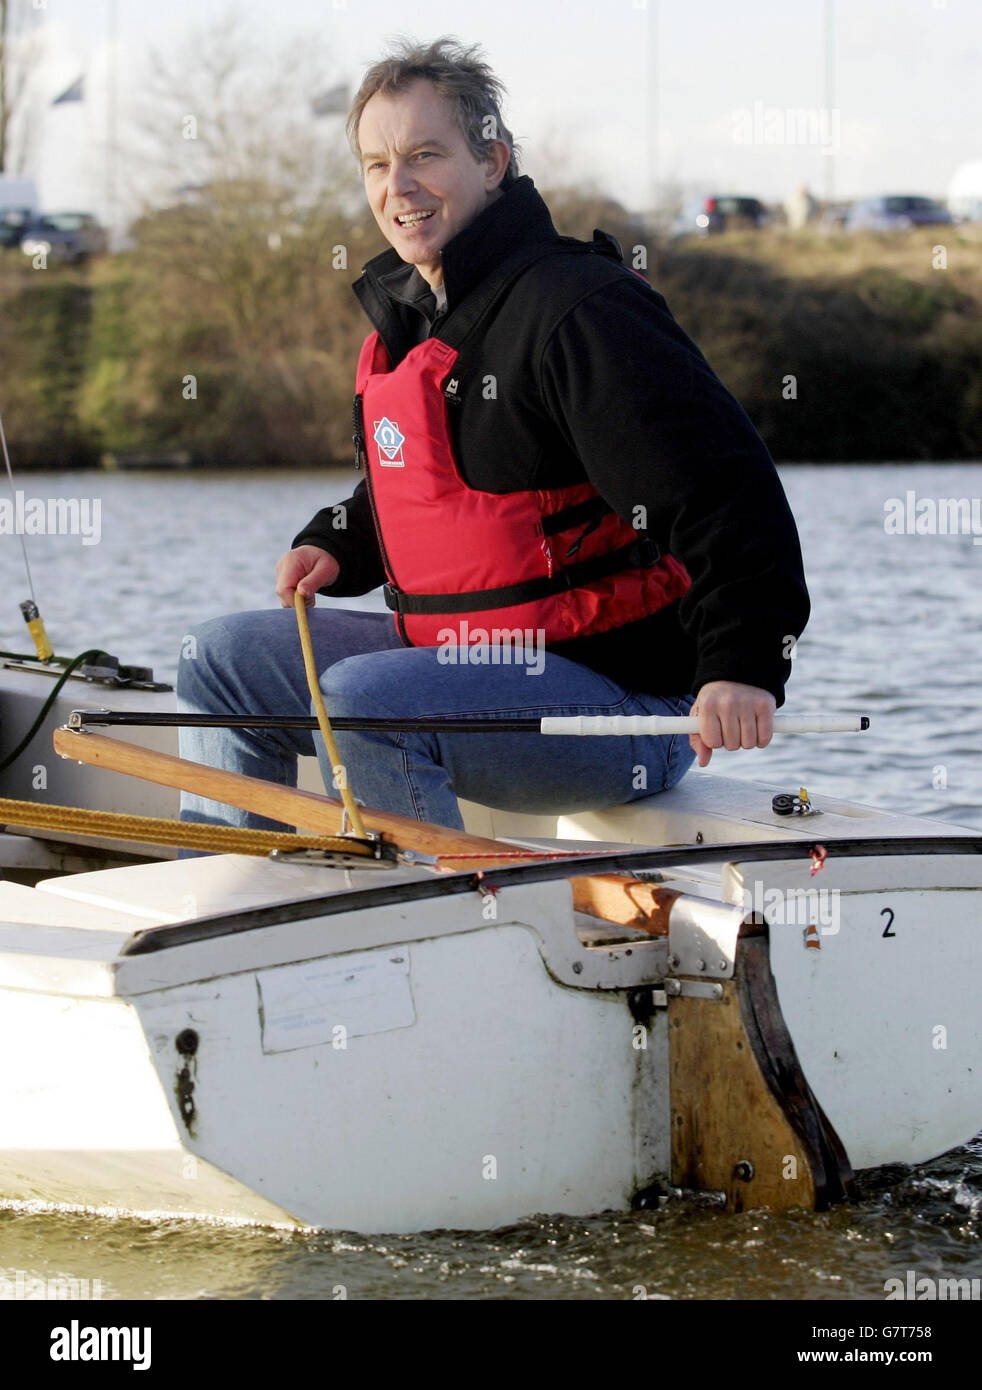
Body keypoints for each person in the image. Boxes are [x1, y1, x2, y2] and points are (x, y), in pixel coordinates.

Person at [178, 36, 810, 836]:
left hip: (624, 705)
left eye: (424, 155)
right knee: (221, 657)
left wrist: (743, 668)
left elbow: (729, 492)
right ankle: (233, 896)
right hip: (457, 662)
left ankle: (407, 920)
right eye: (376, 164)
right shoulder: (413, 323)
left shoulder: (578, 311)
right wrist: (338, 541)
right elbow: (442, 500)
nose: (397, 186)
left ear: (493, 161)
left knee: (366, 698)